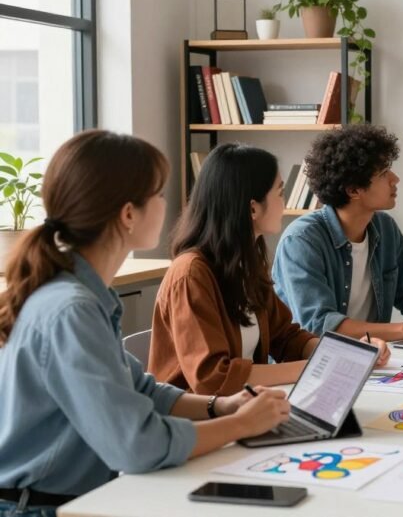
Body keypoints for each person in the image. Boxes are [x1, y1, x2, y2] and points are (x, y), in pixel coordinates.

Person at [0, 131, 289, 516]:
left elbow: (141, 389)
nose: (169, 204)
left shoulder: (86, 297)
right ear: (128, 214)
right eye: (159, 194)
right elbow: (136, 445)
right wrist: (241, 425)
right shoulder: (72, 310)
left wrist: (222, 407)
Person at [149, 143, 390, 396]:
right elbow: (213, 378)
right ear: (253, 208)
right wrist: (317, 367)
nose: (283, 204)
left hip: (245, 405)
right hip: (197, 416)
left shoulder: (246, 263)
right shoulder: (190, 274)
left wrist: (349, 353)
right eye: (280, 192)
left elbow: (286, 337)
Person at [273, 125, 403, 341]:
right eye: (383, 173)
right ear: (353, 190)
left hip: (374, 355)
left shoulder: (385, 228)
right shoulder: (301, 241)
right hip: (315, 358)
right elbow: (320, 325)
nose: (395, 179)